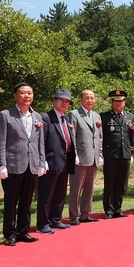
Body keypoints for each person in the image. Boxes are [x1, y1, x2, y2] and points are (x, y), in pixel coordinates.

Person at [0, 82, 46, 246]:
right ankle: (10, 233)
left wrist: (42, 162)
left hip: (32, 165)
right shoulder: (5, 115)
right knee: (11, 201)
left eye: (29, 93)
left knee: (27, 201)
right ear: (15, 95)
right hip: (13, 165)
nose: (26, 96)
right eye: (23, 93)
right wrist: (1, 164)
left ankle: (23, 231)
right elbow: (0, 142)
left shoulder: (37, 116)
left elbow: (40, 142)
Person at [36, 89, 76, 234]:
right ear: (54, 100)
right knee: (46, 194)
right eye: (61, 100)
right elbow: (41, 141)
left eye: (67, 101)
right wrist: (43, 160)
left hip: (65, 160)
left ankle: (55, 219)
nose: (64, 103)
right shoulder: (46, 118)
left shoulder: (67, 119)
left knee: (60, 192)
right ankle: (42, 223)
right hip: (50, 162)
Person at [68, 90, 103, 225]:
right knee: (76, 188)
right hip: (80, 157)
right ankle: (74, 215)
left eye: (92, 98)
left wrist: (100, 155)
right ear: (80, 99)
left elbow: (99, 137)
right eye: (87, 98)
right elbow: (72, 136)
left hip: (93, 158)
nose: (90, 100)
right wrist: (74, 154)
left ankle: (85, 213)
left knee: (89, 187)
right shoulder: (74, 114)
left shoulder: (96, 115)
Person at [100, 89, 134, 219]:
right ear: (111, 102)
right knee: (110, 183)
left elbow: (131, 137)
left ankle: (118, 208)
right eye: (115, 101)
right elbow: (101, 137)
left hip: (124, 154)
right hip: (111, 155)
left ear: (124, 103)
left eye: (120, 101)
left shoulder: (130, 117)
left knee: (122, 183)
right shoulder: (104, 117)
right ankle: (109, 210)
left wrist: (131, 153)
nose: (118, 104)